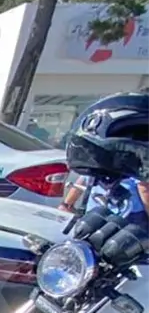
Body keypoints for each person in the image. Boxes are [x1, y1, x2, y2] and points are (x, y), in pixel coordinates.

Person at [58, 91, 149, 226]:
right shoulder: (135, 158)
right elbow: (144, 189)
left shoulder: (99, 159)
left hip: (95, 212)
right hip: (130, 215)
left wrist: (67, 204)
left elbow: (83, 179)